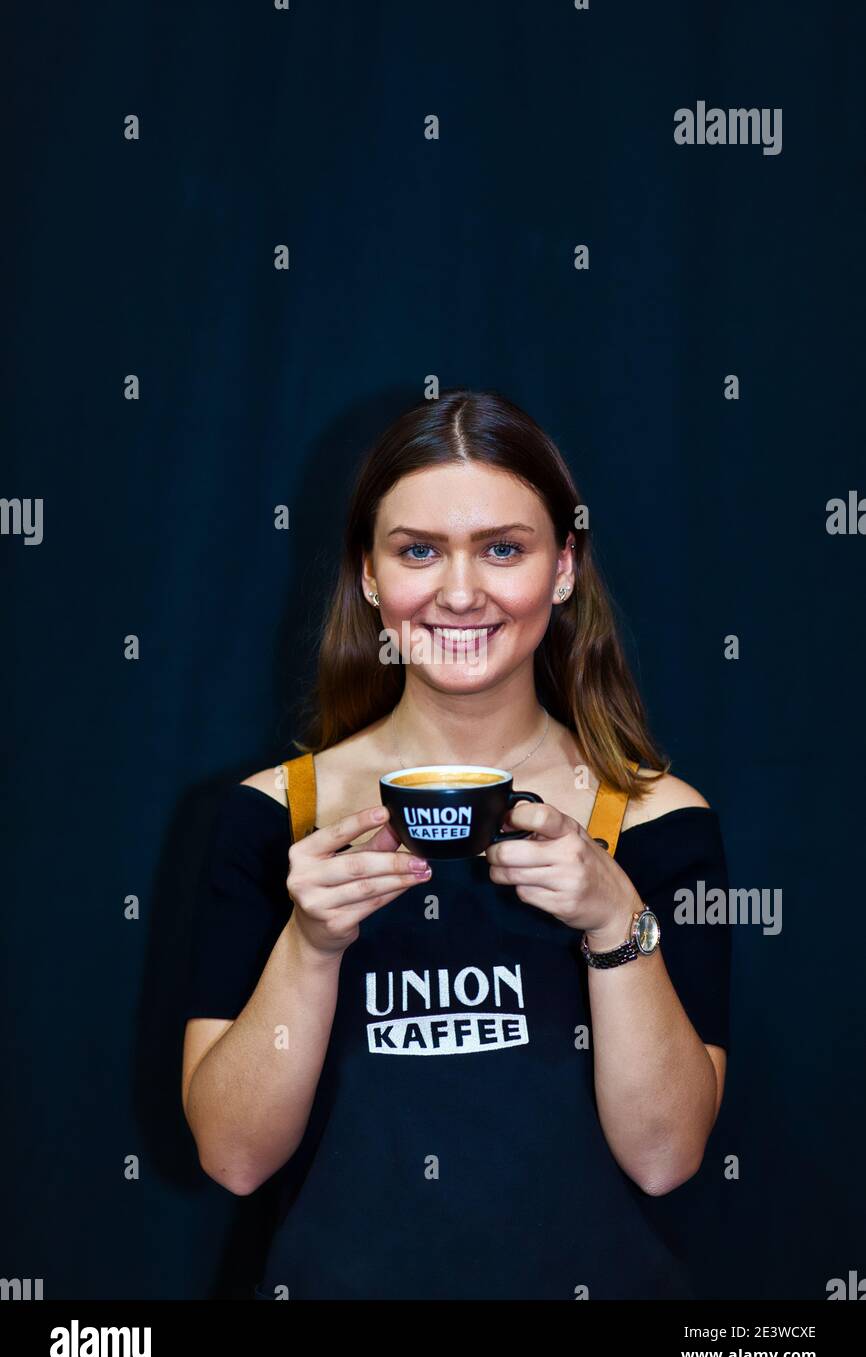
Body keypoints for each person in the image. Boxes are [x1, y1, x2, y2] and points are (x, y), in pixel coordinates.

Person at [181, 388, 731, 1300]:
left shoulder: (654, 820)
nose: (461, 592)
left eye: (504, 549)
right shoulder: (273, 817)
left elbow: (667, 1157)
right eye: (419, 552)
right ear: (368, 574)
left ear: (564, 568)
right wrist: (310, 945)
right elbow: (234, 1158)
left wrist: (617, 918)